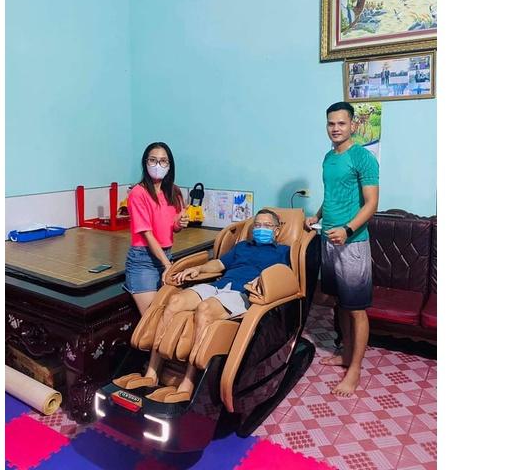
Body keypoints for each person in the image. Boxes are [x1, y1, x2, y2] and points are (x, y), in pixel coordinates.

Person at [114, 209, 290, 403]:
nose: (261, 229)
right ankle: (152, 373)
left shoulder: (283, 252)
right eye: (257, 225)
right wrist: (198, 269)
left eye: (267, 225)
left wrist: (263, 279)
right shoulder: (242, 247)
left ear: (276, 231)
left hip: (244, 294)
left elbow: (283, 277)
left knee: (204, 309)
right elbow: (219, 265)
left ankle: (188, 383)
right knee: (174, 301)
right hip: (219, 286)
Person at [306, 101, 379, 397]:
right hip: (329, 239)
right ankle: (346, 353)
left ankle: (355, 370)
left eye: (341, 123)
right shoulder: (328, 157)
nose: (335, 128)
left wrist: (347, 229)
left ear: (352, 125)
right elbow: (332, 195)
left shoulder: (363, 157)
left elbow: (372, 204)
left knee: (357, 309)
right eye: (331, 123)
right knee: (340, 303)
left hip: (353, 243)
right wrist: (318, 216)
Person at [123, 142, 189, 316]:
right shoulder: (138, 193)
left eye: (163, 161)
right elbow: (147, 234)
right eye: (153, 160)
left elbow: (173, 228)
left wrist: (179, 223)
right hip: (143, 260)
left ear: (169, 165)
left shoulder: (174, 191)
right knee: (153, 320)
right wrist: (167, 265)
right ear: (145, 163)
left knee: (170, 315)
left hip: (166, 255)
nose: (158, 165)